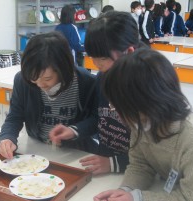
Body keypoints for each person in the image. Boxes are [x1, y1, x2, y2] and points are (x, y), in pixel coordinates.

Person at [94, 48, 193, 201]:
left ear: (146, 102)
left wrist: (135, 200)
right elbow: (140, 165)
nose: (115, 112)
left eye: (118, 106)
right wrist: (125, 191)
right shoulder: (140, 121)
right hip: (176, 185)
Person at [50, 11, 141, 175]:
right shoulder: (103, 76)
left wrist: (115, 163)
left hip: (135, 171)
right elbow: (98, 117)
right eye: (93, 58)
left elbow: (158, 151)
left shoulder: (148, 86)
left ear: (129, 52)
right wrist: (74, 130)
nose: (97, 65)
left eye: (103, 59)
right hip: (105, 161)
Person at [0, 31, 97, 159]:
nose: (40, 84)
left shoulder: (86, 82)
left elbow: (96, 120)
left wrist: (74, 130)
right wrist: (7, 137)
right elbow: (15, 116)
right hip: (39, 148)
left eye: (47, 79)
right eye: (34, 78)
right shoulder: (22, 81)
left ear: (63, 69)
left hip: (77, 152)